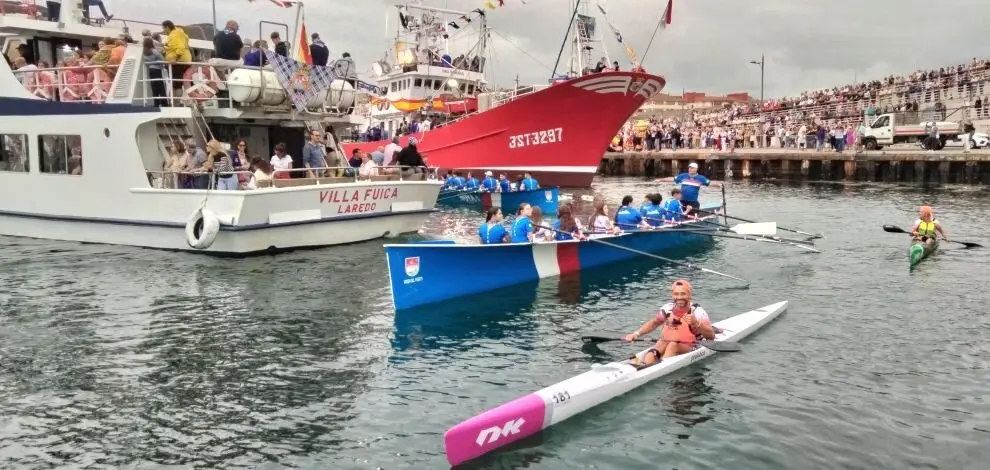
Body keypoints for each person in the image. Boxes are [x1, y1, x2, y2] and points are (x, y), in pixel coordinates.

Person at [624, 280, 716, 366]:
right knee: (657, 348)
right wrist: (636, 334)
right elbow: (654, 323)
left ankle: (659, 367)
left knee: (673, 345)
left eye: (683, 294)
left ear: (689, 295)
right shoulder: (667, 309)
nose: (679, 297)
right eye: (676, 294)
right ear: (672, 295)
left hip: (693, 345)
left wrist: (696, 323)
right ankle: (644, 366)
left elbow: (711, 336)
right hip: (668, 342)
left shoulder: (698, 312)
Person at [655, 162, 722, 214]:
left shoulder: (701, 178)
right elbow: (672, 179)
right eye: (689, 168)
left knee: (693, 217)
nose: (690, 169)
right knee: (682, 215)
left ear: (696, 169)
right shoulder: (683, 176)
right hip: (682, 201)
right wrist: (660, 180)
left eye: (692, 168)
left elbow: (710, 183)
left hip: (693, 202)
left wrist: (719, 184)